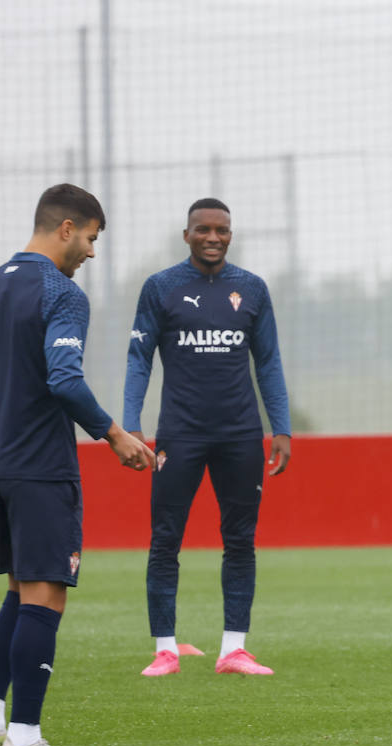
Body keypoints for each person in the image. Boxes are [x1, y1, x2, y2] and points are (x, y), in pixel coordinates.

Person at [0, 183, 155, 746]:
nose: (91, 251)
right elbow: (65, 380)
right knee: (47, 593)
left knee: (18, 591)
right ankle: (27, 737)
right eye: (91, 238)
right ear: (66, 228)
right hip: (40, 469)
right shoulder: (60, 294)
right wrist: (114, 434)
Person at [124, 199, 292, 678]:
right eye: (203, 229)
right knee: (165, 540)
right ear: (187, 235)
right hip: (178, 434)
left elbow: (269, 363)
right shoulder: (161, 288)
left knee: (240, 541)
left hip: (241, 434)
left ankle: (233, 650)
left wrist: (280, 427)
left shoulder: (252, 289)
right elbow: (139, 359)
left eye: (221, 230)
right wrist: (131, 423)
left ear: (230, 235)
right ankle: (165, 649)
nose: (213, 237)